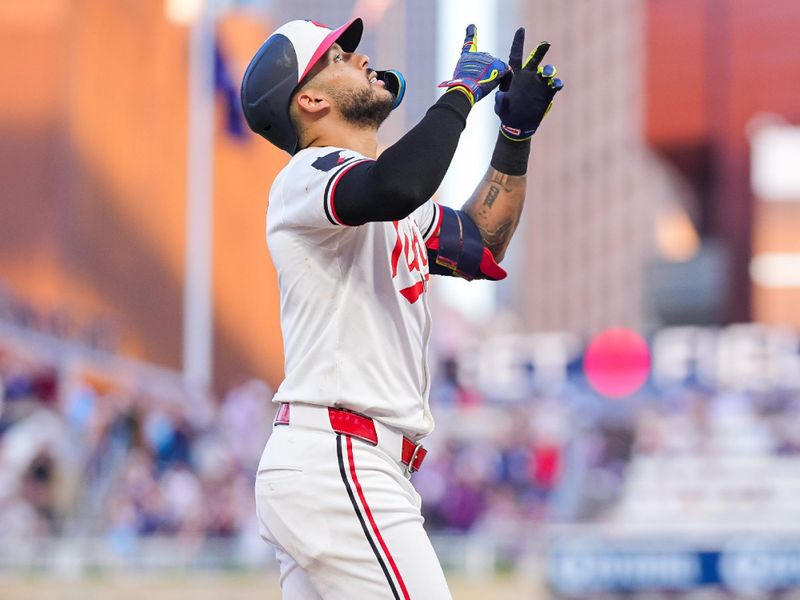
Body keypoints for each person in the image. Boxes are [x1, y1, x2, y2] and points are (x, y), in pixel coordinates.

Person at [240, 16, 563, 600]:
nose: (360, 59)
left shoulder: (376, 196)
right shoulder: (307, 176)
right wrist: (459, 95)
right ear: (310, 99)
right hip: (338, 457)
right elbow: (398, 184)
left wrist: (514, 135)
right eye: (338, 56)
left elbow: (481, 241)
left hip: (343, 461)